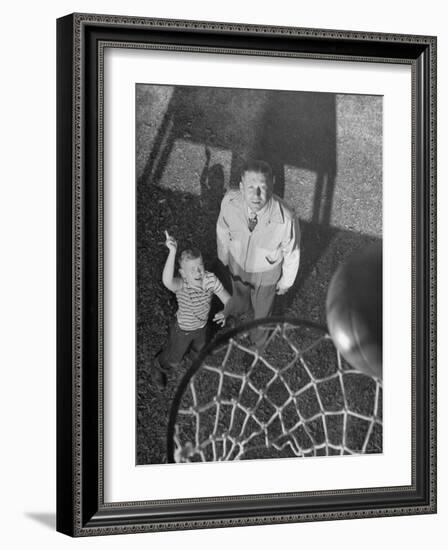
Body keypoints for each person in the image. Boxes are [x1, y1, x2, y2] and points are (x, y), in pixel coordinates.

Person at [216, 160, 300, 348]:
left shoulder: (286, 218)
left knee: (263, 313)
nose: (256, 195)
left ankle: (257, 343)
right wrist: (223, 254)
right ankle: (238, 314)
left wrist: (286, 281)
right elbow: (222, 229)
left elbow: (292, 252)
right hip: (237, 264)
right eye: (250, 187)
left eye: (262, 187)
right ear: (241, 187)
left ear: (273, 185)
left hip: (266, 274)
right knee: (239, 296)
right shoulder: (229, 202)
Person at [154, 231, 231, 388]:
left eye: (200, 266)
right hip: (183, 330)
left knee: (199, 348)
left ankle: (194, 359)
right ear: (182, 273)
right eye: (192, 269)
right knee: (174, 359)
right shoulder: (182, 285)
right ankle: (158, 366)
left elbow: (227, 299)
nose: (198, 272)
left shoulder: (210, 279)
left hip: (202, 327)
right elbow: (167, 281)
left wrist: (226, 311)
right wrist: (172, 252)